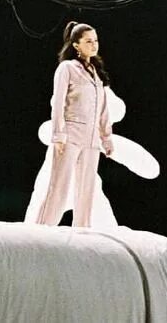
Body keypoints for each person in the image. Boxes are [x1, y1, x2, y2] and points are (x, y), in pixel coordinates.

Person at [34, 21, 114, 228]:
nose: (94, 45)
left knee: (86, 191)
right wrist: (59, 135)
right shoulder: (67, 68)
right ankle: (40, 231)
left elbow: (103, 109)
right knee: (59, 187)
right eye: (88, 41)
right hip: (70, 135)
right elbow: (58, 103)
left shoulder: (96, 72)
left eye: (95, 40)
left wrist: (106, 138)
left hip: (91, 140)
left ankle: (82, 233)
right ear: (76, 45)